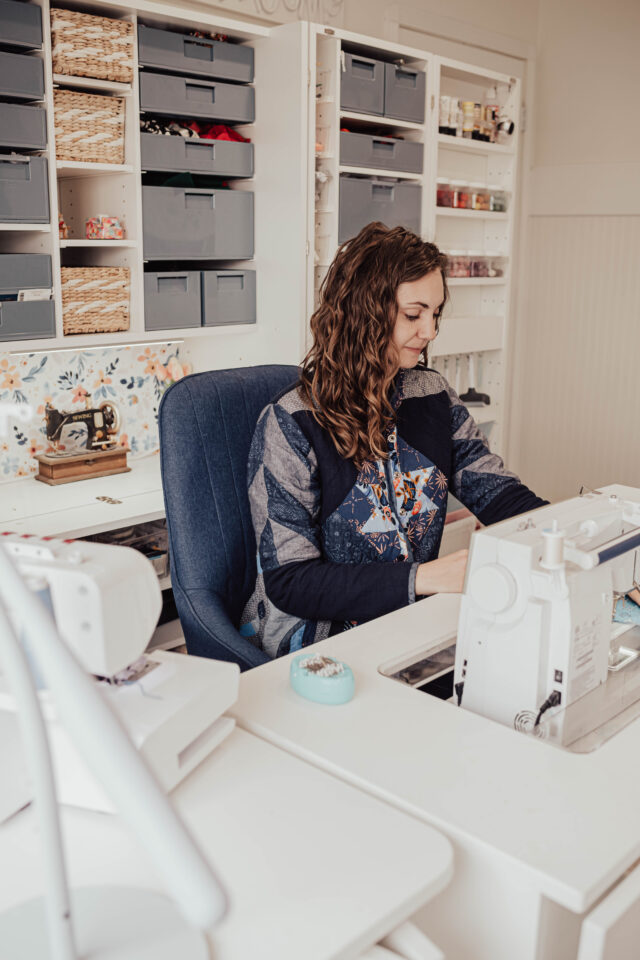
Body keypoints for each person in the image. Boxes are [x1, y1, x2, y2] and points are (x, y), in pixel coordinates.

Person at [240, 222, 547, 658]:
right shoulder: (291, 422)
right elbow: (291, 582)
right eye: (413, 314)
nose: (430, 332)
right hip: (314, 641)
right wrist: (422, 578)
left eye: (435, 314)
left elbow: (498, 492)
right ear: (364, 310)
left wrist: (566, 536)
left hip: (409, 621)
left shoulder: (434, 397)